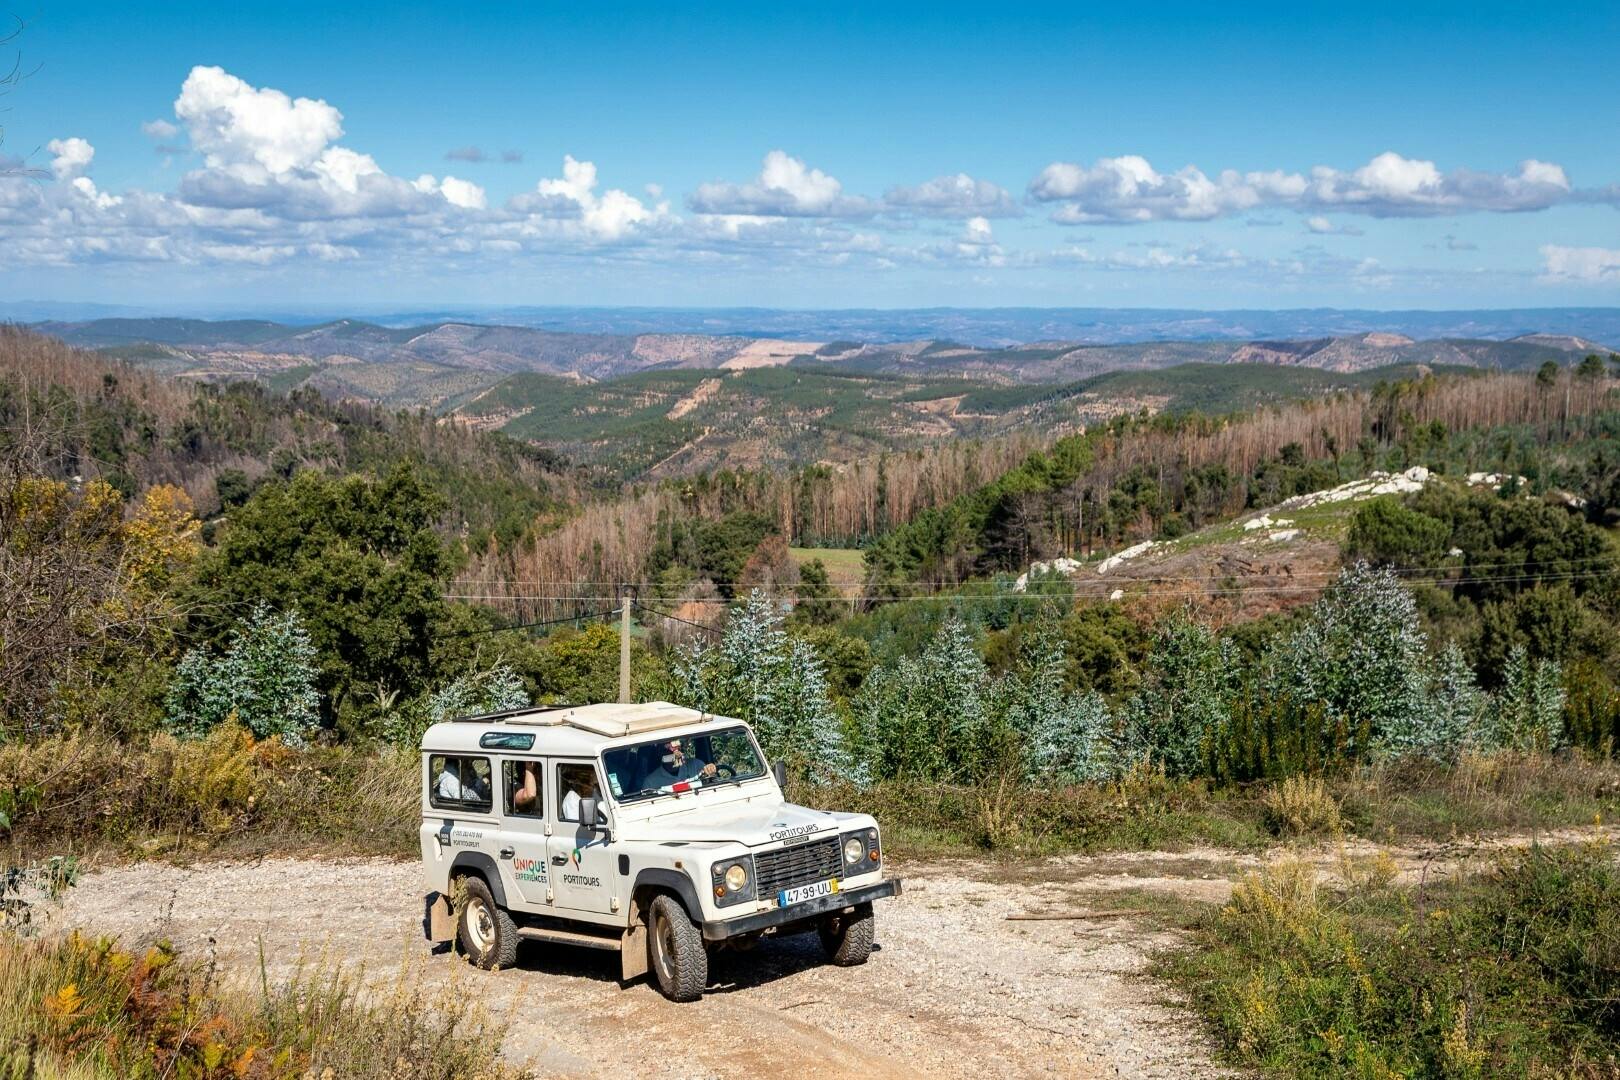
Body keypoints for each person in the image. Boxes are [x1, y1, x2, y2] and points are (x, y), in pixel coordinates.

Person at [640, 739, 718, 789]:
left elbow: (710, 784)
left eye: (679, 749)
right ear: (661, 754)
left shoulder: (696, 765)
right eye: (671, 751)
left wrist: (710, 770)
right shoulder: (650, 783)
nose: (678, 754)